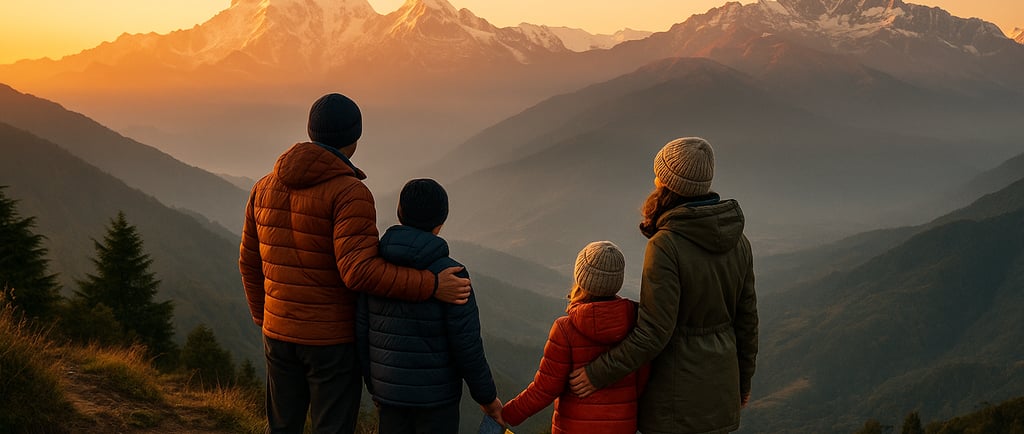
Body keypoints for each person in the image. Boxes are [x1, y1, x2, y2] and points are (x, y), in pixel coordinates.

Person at [238, 93, 472, 434]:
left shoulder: (263, 187)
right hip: (330, 341)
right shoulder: (349, 193)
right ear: (355, 138)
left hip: (277, 333)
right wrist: (433, 285)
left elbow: (248, 262)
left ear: (311, 131)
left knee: (282, 426)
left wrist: (265, 318)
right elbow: (359, 272)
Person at [568, 137, 759, 434]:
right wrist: (742, 384)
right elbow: (747, 323)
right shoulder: (739, 241)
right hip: (722, 394)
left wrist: (597, 373)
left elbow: (654, 332)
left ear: (667, 183)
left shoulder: (666, 245)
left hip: (676, 399)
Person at [356, 178, 503, 434]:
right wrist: (487, 399)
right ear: (441, 222)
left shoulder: (376, 270)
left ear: (400, 213)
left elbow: (361, 331)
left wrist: (375, 386)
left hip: (389, 395)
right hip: (437, 402)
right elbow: (467, 345)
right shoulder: (452, 275)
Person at [501, 241, 649, 434]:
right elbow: (642, 382)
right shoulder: (638, 325)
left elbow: (544, 389)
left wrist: (505, 415)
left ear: (581, 278)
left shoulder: (565, 329)